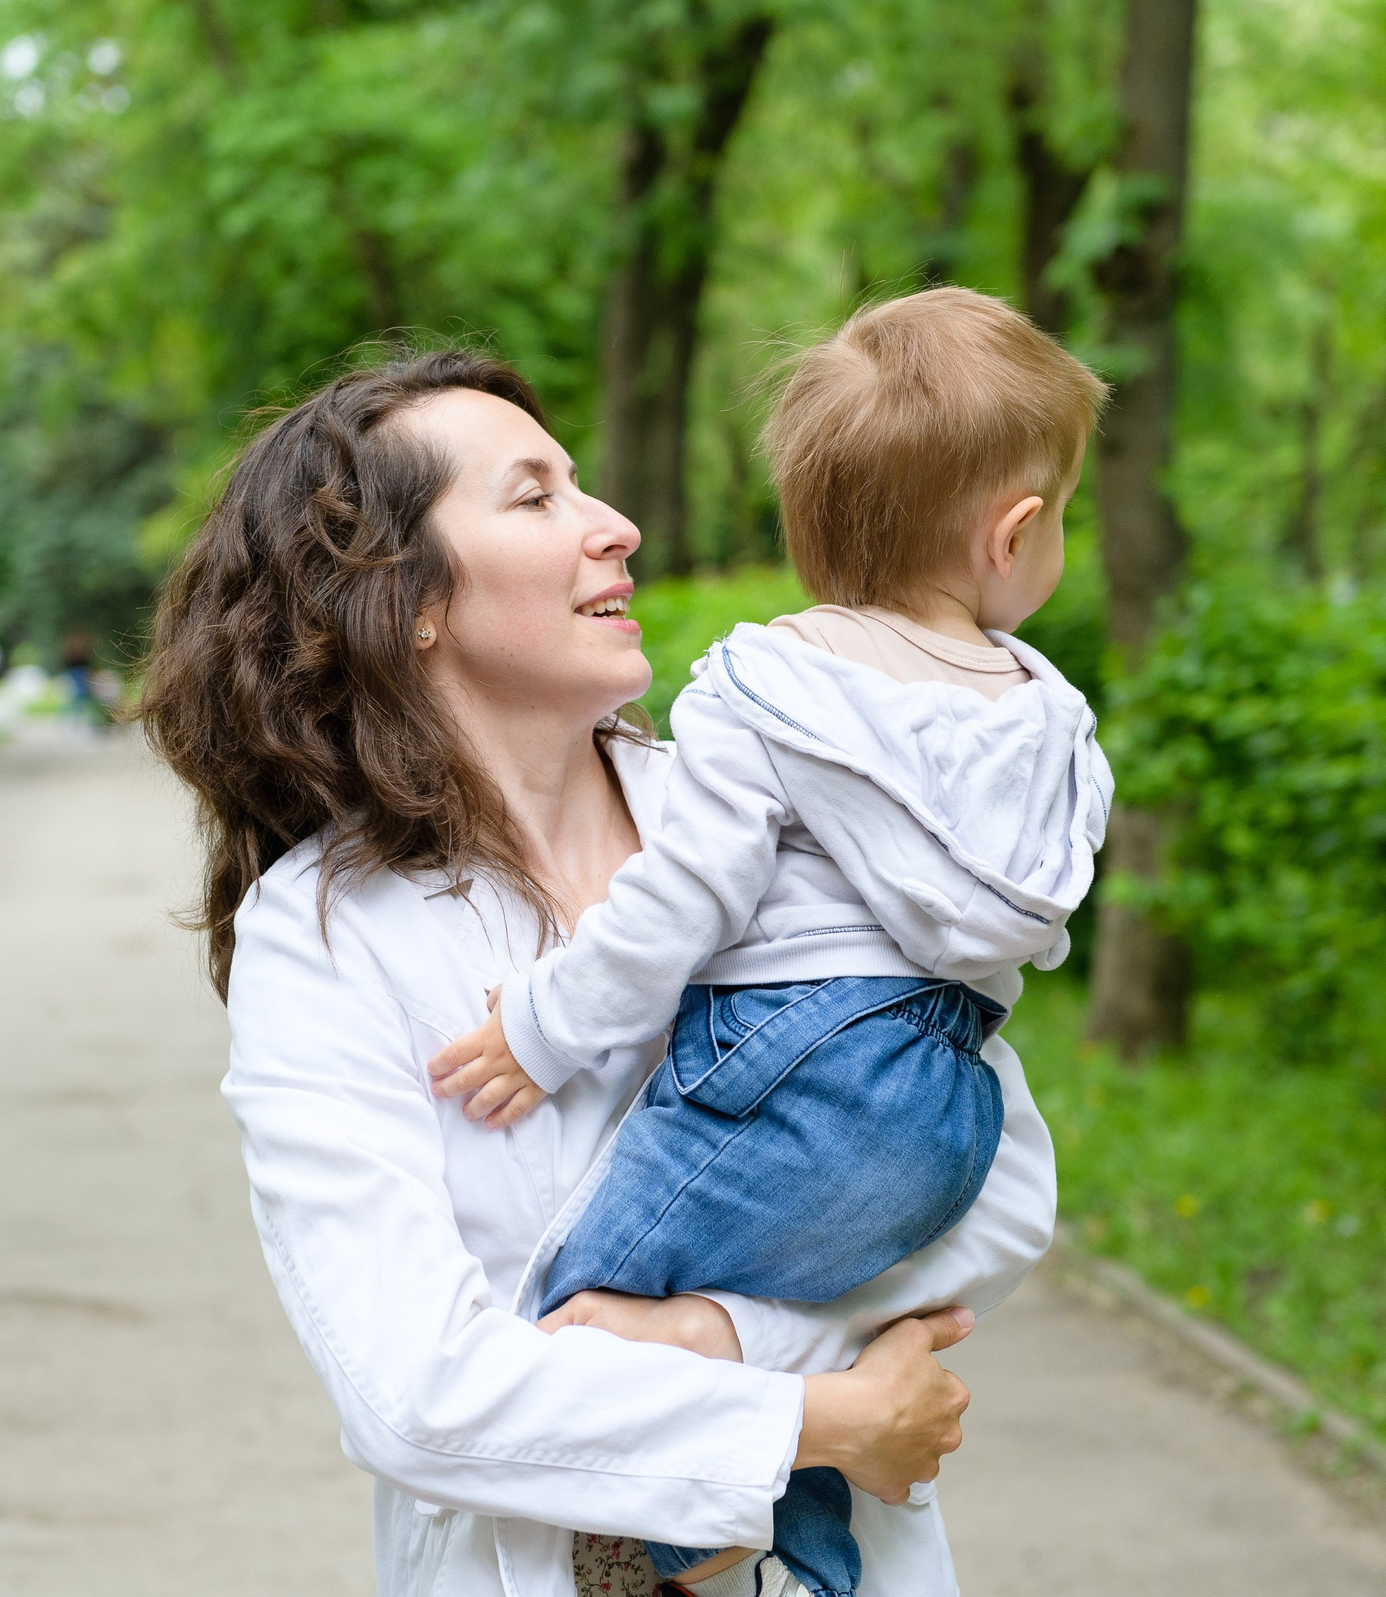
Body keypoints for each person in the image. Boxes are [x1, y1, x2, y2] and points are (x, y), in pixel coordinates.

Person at [138, 350, 1058, 1597]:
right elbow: (417, 1393)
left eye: (581, 484)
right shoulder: (329, 933)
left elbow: (996, 1177)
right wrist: (816, 1417)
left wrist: (721, 1335)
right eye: (535, 497)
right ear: (403, 598)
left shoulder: (770, 809)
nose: (613, 524)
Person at [425, 289, 1111, 1597]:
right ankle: (785, 1527)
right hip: (949, 1093)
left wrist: (543, 1025)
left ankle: (686, 1537)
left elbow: (685, 900)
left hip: (792, 1060)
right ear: (1014, 532)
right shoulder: (1048, 720)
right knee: (765, 1315)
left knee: (576, 1308)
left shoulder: (773, 683)